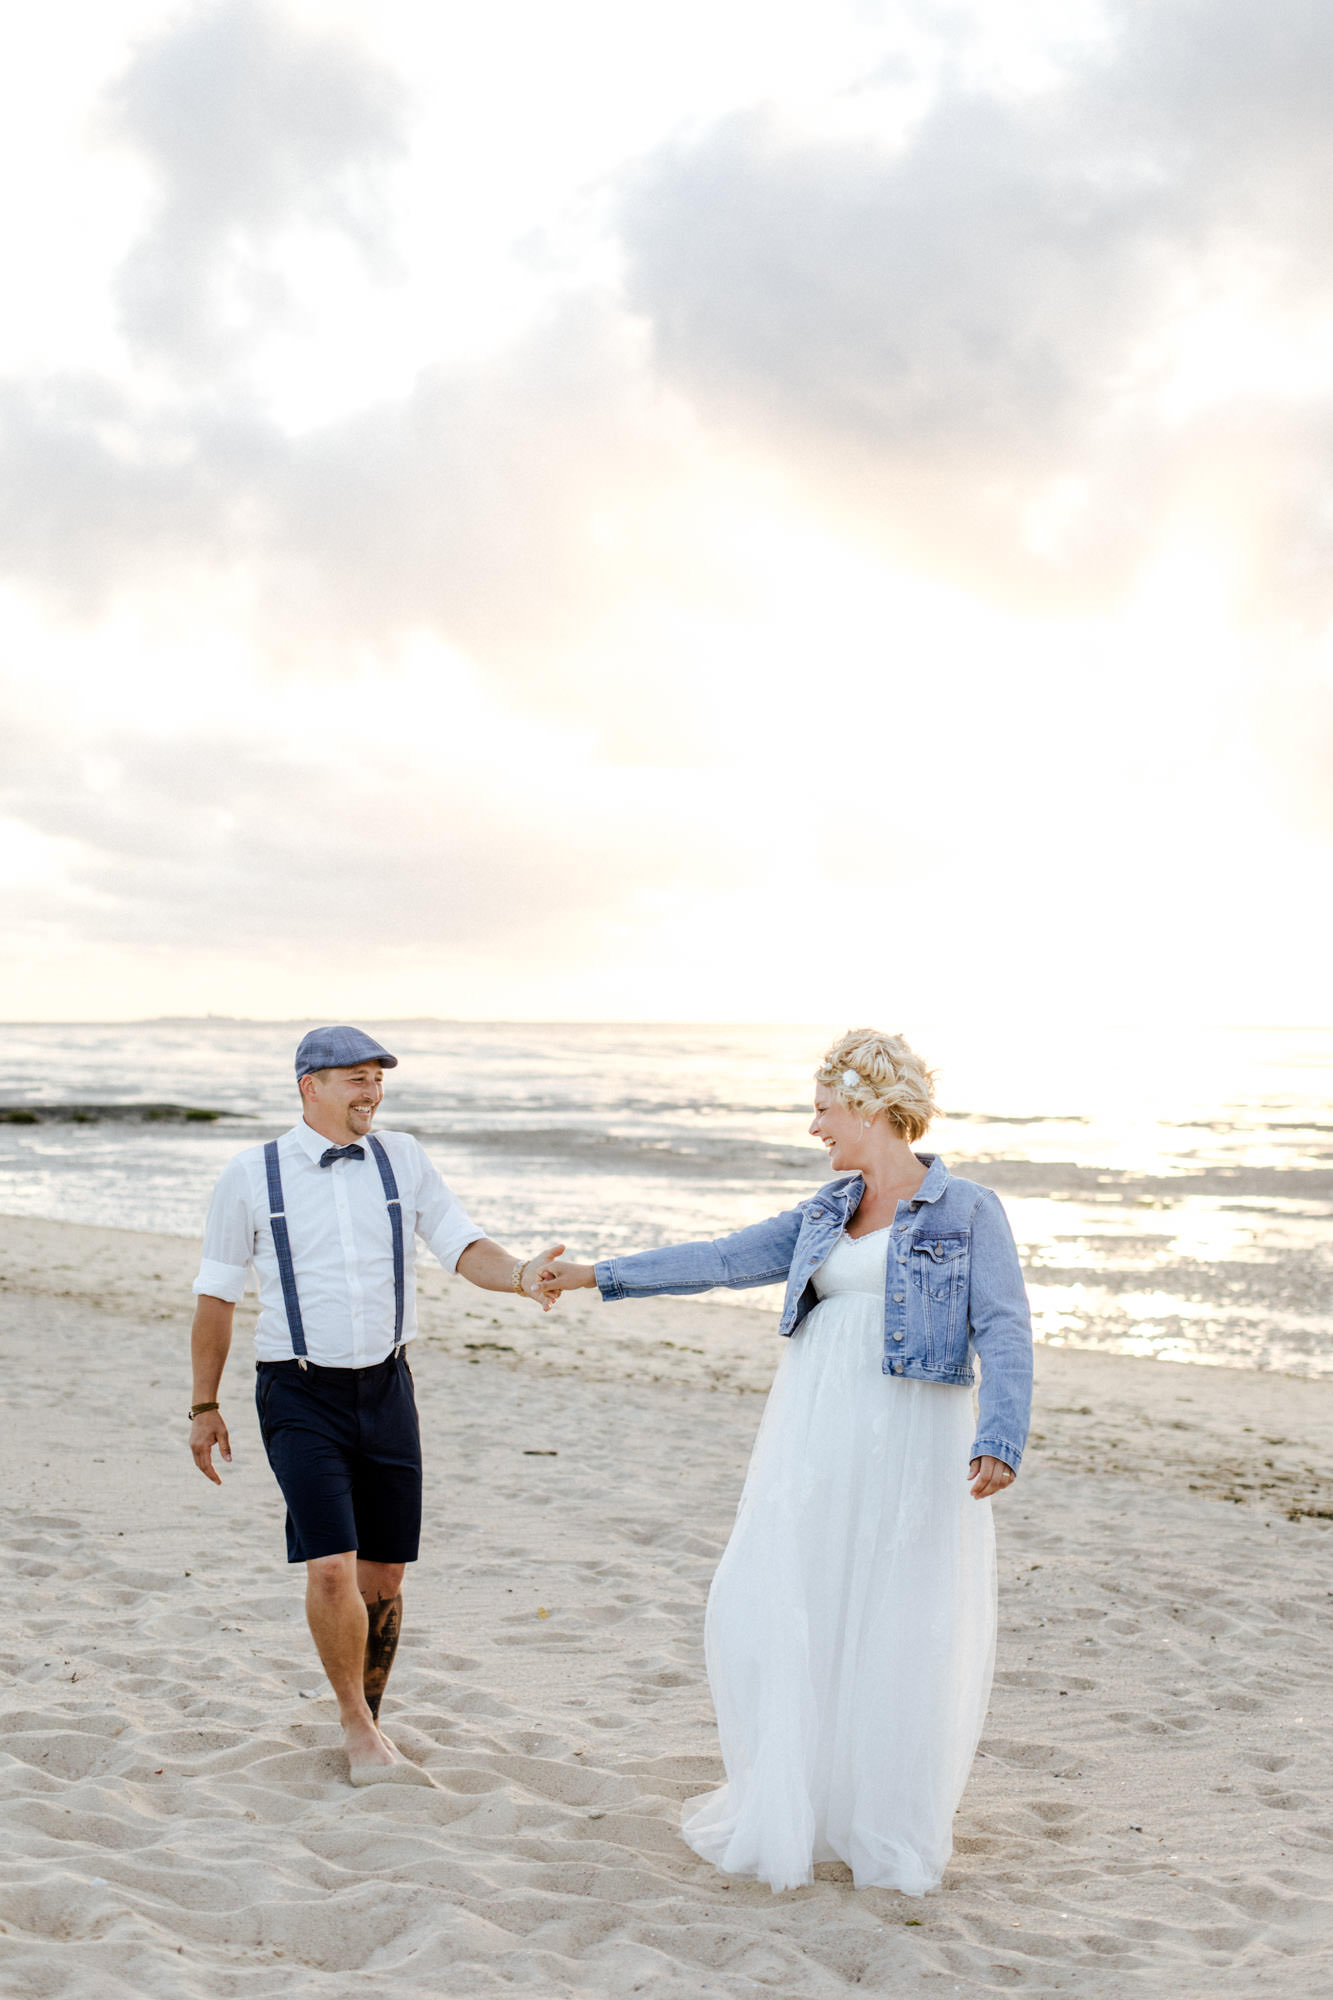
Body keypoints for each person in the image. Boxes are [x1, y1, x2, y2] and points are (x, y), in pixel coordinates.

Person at [539, 1028, 1032, 1892]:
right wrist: (592, 1275)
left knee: (896, 1611)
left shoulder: (967, 1209)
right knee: (792, 1592)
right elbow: (722, 1260)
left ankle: (880, 1812)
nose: (814, 1128)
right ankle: (803, 1796)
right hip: (815, 1432)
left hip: (915, 1435)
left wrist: (1000, 1435)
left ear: (872, 1108)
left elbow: (1003, 1326)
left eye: (823, 1110)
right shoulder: (821, 1211)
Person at [188, 1025, 562, 1787]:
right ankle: (355, 1729)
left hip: (388, 1388)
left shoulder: (403, 1157)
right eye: (355, 1078)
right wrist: (204, 1404)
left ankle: (371, 1715)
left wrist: (521, 1274)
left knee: (384, 1577)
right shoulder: (249, 1175)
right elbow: (217, 1295)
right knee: (331, 1566)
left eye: (378, 1078)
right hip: (296, 1390)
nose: (372, 1092)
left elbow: (462, 1245)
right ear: (310, 1087)